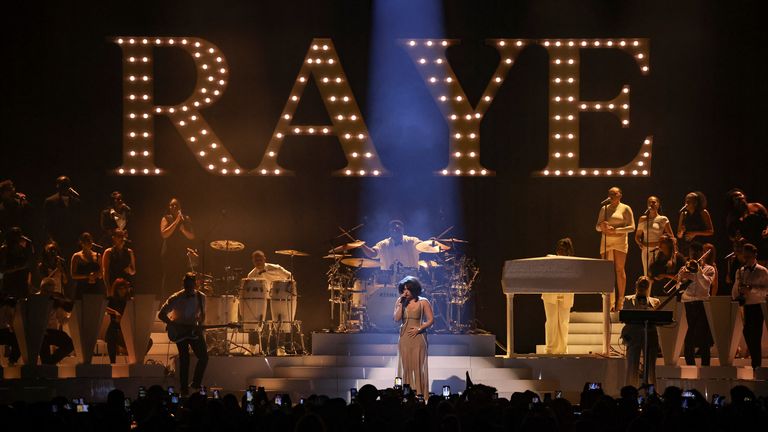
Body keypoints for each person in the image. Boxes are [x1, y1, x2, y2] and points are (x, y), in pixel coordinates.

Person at [157, 272, 208, 395]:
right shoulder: (175, 298)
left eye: (191, 284)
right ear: (183, 284)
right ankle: (184, 388)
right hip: (179, 332)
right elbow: (161, 314)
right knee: (184, 360)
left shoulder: (202, 297)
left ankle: (196, 383)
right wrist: (172, 324)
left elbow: (202, 315)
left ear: (195, 284)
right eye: (187, 284)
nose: (189, 286)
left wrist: (200, 324)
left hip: (192, 330)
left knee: (204, 357)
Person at [595, 187, 635, 311]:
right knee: (607, 270)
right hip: (607, 240)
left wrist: (616, 230)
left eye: (615, 193)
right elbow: (597, 227)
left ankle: (620, 300)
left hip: (620, 240)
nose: (612, 195)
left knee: (619, 269)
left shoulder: (625, 208)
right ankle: (610, 301)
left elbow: (632, 227)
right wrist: (602, 227)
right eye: (610, 193)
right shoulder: (604, 208)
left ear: (620, 195)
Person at [394, 276, 434, 397]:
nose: (405, 292)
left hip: (419, 337)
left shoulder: (423, 302)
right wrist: (401, 304)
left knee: (417, 367)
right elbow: (396, 319)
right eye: (404, 289)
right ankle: (407, 395)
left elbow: (431, 320)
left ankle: (420, 395)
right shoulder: (400, 301)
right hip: (404, 337)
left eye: (408, 289)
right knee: (406, 368)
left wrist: (420, 328)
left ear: (415, 290)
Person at [731, 244, 768, 370]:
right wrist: (737, 292)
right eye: (744, 256)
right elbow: (735, 289)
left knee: (756, 336)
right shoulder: (740, 271)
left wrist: (751, 289)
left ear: (754, 255)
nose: (745, 258)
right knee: (747, 334)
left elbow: (766, 291)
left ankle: (756, 366)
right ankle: (754, 363)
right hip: (745, 306)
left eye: (748, 256)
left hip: (757, 306)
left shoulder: (762, 271)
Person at [679, 242, 715, 366]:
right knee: (688, 337)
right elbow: (679, 286)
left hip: (702, 303)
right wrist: (683, 277)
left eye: (696, 253)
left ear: (701, 254)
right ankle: (690, 366)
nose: (693, 255)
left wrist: (698, 271)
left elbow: (706, 285)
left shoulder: (709, 269)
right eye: (691, 253)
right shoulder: (684, 268)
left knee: (704, 337)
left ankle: (705, 367)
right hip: (688, 303)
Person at [621, 277, 660, 387]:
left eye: (645, 285)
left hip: (650, 334)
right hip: (633, 335)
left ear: (648, 287)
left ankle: (652, 392)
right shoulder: (628, 299)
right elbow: (625, 317)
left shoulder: (655, 302)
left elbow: (658, 319)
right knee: (632, 365)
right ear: (636, 285)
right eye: (640, 285)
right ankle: (630, 389)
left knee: (651, 367)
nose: (642, 287)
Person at [541, 238, 575, 354]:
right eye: (560, 249)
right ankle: (550, 349)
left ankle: (562, 349)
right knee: (551, 322)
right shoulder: (550, 258)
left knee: (563, 322)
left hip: (565, 294)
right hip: (551, 294)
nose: (561, 251)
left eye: (564, 250)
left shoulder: (572, 262)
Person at [160, 198, 195, 299]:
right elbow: (164, 234)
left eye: (176, 205)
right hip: (169, 254)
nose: (174, 207)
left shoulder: (186, 219)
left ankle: (180, 303)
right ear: (169, 207)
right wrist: (176, 222)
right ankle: (166, 303)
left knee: (181, 279)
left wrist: (183, 230)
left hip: (181, 254)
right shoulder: (166, 218)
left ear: (180, 207)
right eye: (172, 205)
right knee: (168, 280)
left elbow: (192, 236)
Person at [43, 176, 82, 258]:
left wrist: (80, 238)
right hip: (58, 240)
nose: (65, 187)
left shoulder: (76, 201)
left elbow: (79, 221)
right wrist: (50, 240)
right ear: (58, 186)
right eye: (63, 185)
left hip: (73, 240)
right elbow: (47, 222)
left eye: (66, 185)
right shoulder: (50, 202)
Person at [726, 189, 768, 265]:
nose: (739, 197)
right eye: (736, 197)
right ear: (733, 202)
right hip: (749, 246)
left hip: (764, 242)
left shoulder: (756, 206)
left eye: (740, 195)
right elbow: (731, 235)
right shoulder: (733, 215)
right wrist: (737, 239)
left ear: (744, 196)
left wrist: (767, 230)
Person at [38, 278, 75, 365]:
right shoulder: (34, 299)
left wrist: (72, 316)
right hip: (38, 333)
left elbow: (62, 320)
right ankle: (47, 364)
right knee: (43, 343)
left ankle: (50, 362)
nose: (49, 293)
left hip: (51, 331)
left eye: (51, 291)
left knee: (70, 344)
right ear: (42, 288)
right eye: (46, 291)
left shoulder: (55, 301)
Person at [635, 196, 674, 276]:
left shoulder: (663, 219)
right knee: (646, 275)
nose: (651, 204)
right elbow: (637, 236)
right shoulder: (643, 219)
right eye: (649, 202)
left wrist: (663, 246)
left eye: (654, 202)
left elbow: (671, 236)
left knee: (655, 274)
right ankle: (647, 289)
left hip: (658, 250)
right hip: (646, 250)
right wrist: (640, 243)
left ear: (658, 204)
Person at [0, 227, 34, 299]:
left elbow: (29, 264)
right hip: (9, 285)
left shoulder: (25, 246)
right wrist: (18, 267)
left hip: (21, 285)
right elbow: (2, 270)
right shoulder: (5, 249)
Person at [676, 191, 714, 256]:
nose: (686, 204)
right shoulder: (683, 214)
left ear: (695, 203)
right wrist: (681, 231)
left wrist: (695, 233)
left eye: (688, 202)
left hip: (701, 246)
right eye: (685, 201)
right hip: (688, 247)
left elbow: (711, 231)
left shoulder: (703, 212)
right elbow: (679, 235)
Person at [70, 232, 105, 299]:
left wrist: (96, 275)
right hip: (82, 288)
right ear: (82, 243)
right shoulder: (76, 256)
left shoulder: (98, 255)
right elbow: (73, 275)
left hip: (96, 287)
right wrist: (87, 276)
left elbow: (101, 273)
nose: (90, 242)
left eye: (91, 240)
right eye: (87, 240)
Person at [105, 278, 132, 364]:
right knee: (111, 335)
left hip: (127, 328)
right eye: (120, 288)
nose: (123, 290)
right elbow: (103, 307)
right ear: (116, 289)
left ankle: (134, 360)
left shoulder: (129, 300)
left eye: (124, 288)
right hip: (115, 326)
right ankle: (112, 362)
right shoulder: (111, 299)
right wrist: (114, 312)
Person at [0, 292, 21, 365]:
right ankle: (12, 360)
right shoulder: (7, 307)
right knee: (17, 342)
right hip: (3, 330)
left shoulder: (4, 306)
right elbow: (10, 321)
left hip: (3, 330)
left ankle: (12, 359)